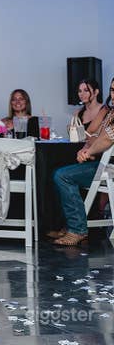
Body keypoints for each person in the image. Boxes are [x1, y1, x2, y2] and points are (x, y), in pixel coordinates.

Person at [48, 78, 114, 245]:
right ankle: (70, 226)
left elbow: (107, 139)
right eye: (113, 90)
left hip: (110, 169)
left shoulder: (107, 111)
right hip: (104, 165)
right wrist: (86, 149)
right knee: (58, 171)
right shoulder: (111, 113)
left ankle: (77, 229)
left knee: (62, 176)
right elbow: (97, 136)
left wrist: (89, 151)